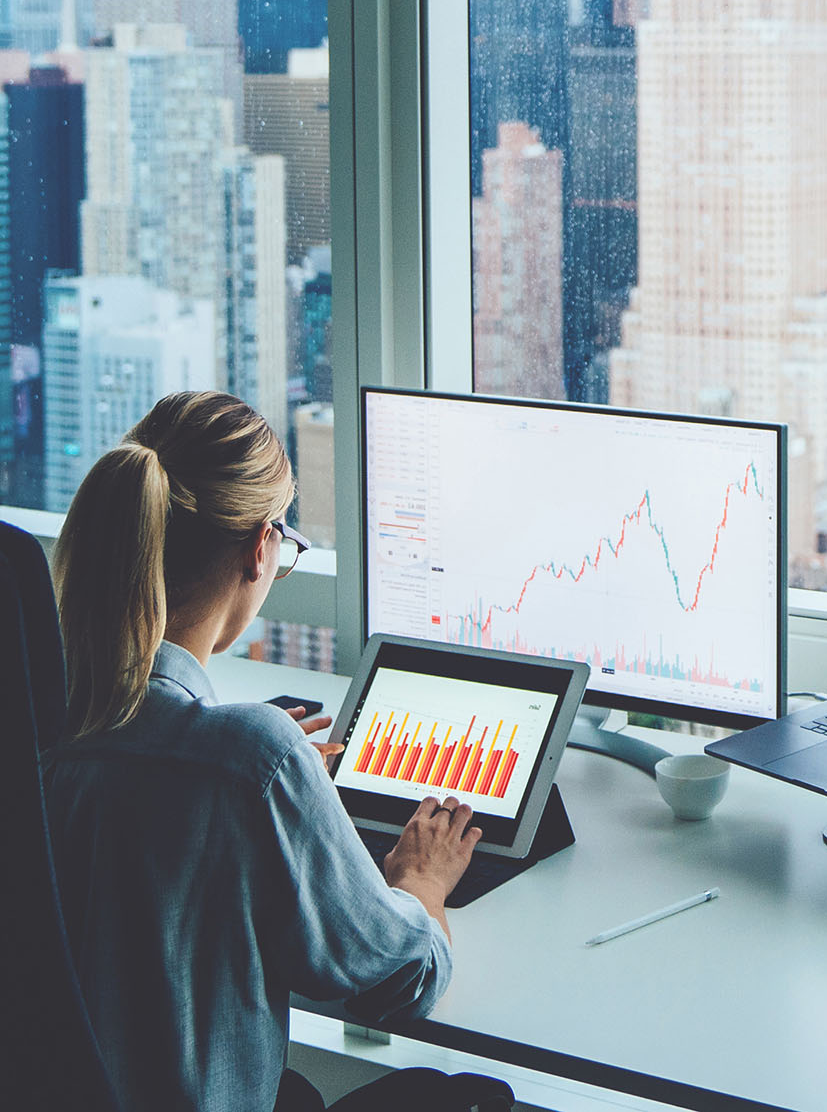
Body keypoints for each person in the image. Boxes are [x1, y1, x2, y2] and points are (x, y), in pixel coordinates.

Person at [42, 392, 511, 1112]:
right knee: (467, 1096)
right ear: (261, 548)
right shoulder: (253, 761)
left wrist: (260, 779)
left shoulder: (41, 718)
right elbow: (397, 983)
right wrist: (421, 881)